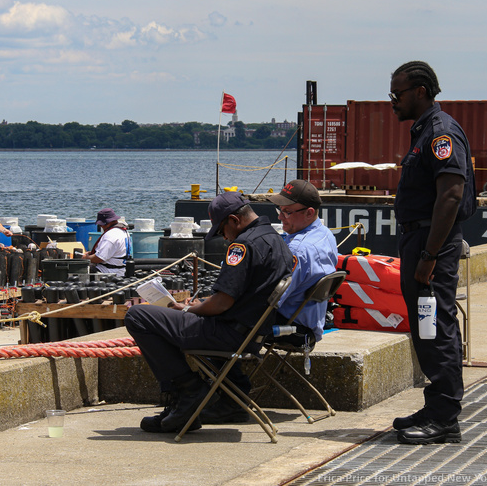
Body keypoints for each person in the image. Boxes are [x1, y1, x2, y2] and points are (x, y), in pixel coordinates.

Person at [124, 192, 293, 433]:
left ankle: (188, 391)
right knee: (164, 321)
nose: (223, 237)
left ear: (234, 220)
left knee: (138, 316)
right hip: (252, 334)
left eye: (222, 229)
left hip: (227, 333)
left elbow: (221, 304)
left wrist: (190, 308)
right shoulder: (276, 240)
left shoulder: (243, 245)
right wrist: (203, 304)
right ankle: (205, 400)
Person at [390, 61, 476, 444]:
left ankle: (444, 419)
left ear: (420, 91)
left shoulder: (441, 133)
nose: (393, 101)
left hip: (431, 246)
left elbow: (452, 195)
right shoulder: (424, 132)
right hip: (421, 241)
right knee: (428, 327)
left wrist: (428, 256)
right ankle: (435, 406)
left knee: (436, 326)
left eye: (398, 93)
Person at [267, 179, 338, 341]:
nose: (280, 217)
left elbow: (273, 298)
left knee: (213, 323)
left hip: (292, 327)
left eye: (287, 212)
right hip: (311, 321)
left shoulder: (298, 250)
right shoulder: (326, 235)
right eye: (279, 210)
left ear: (309, 213)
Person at [81, 208, 131, 276]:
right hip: (121, 270)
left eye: (101, 224)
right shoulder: (124, 232)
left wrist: (85, 258)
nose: (101, 226)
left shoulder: (111, 235)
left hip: (108, 271)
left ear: (108, 223)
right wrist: (92, 253)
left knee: (78, 269)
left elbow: (98, 258)